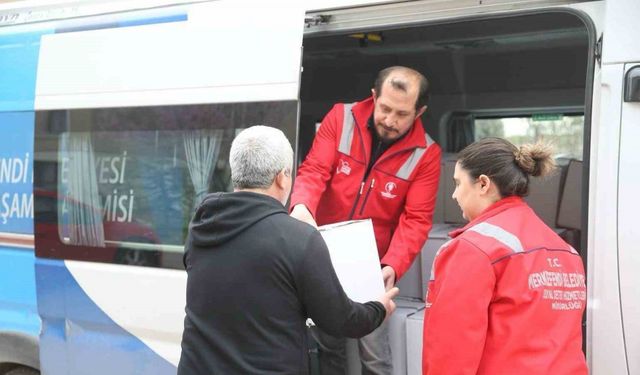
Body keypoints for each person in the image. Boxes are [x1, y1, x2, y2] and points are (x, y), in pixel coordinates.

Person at [177, 125, 399, 375]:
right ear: (282, 177)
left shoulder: (200, 226)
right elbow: (340, 319)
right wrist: (378, 309)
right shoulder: (299, 239)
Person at [290, 66, 442, 374]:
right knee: (327, 346)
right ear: (373, 97)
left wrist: (393, 265)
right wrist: (302, 206)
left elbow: (416, 220)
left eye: (402, 113)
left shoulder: (426, 154)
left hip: (373, 264)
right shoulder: (340, 118)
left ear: (420, 111)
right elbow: (314, 171)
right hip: (322, 255)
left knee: (374, 355)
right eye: (385, 108)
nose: (390, 120)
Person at [422, 138, 588, 375]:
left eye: (458, 183)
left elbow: (450, 352)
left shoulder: (473, 249)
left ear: (482, 184)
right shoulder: (566, 252)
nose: (454, 195)